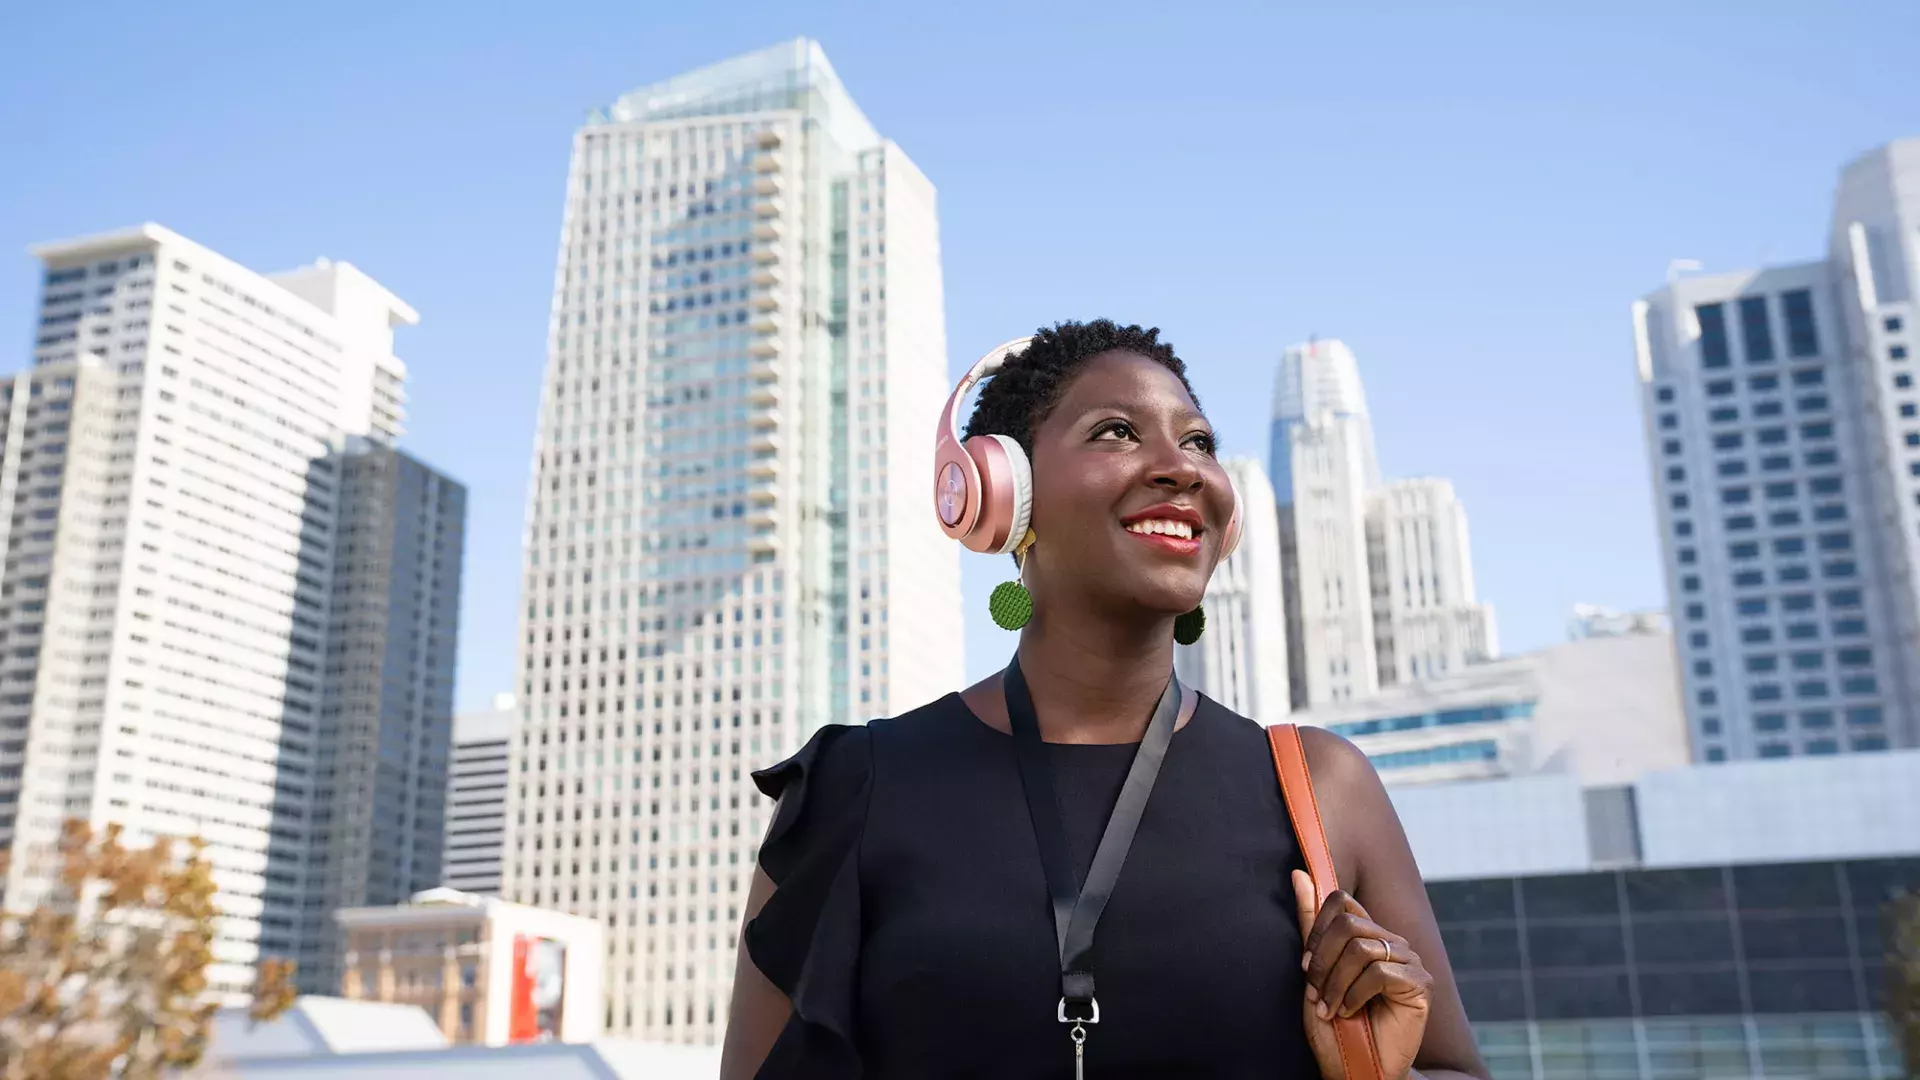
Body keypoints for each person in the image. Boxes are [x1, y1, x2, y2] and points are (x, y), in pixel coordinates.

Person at [721, 320, 1488, 1080]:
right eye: (1118, 432)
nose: (1181, 468)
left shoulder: (1322, 787)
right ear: (1002, 494)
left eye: (1198, 443)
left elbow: (1454, 1071)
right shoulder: (852, 789)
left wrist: (1378, 1077)